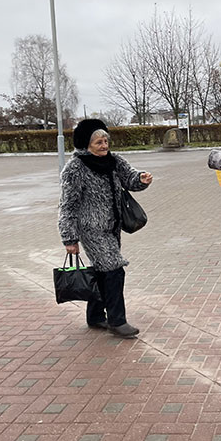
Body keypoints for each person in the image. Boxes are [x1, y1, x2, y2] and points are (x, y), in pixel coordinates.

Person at [58, 119, 153, 338]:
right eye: (98, 142)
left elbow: (129, 178)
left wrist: (141, 179)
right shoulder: (75, 168)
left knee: (103, 270)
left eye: (105, 141)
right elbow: (67, 206)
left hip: (112, 226)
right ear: (86, 144)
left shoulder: (114, 160)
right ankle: (117, 321)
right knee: (114, 269)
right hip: (90, 228)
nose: (104, 146)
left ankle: (95, 316)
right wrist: (69, 238)